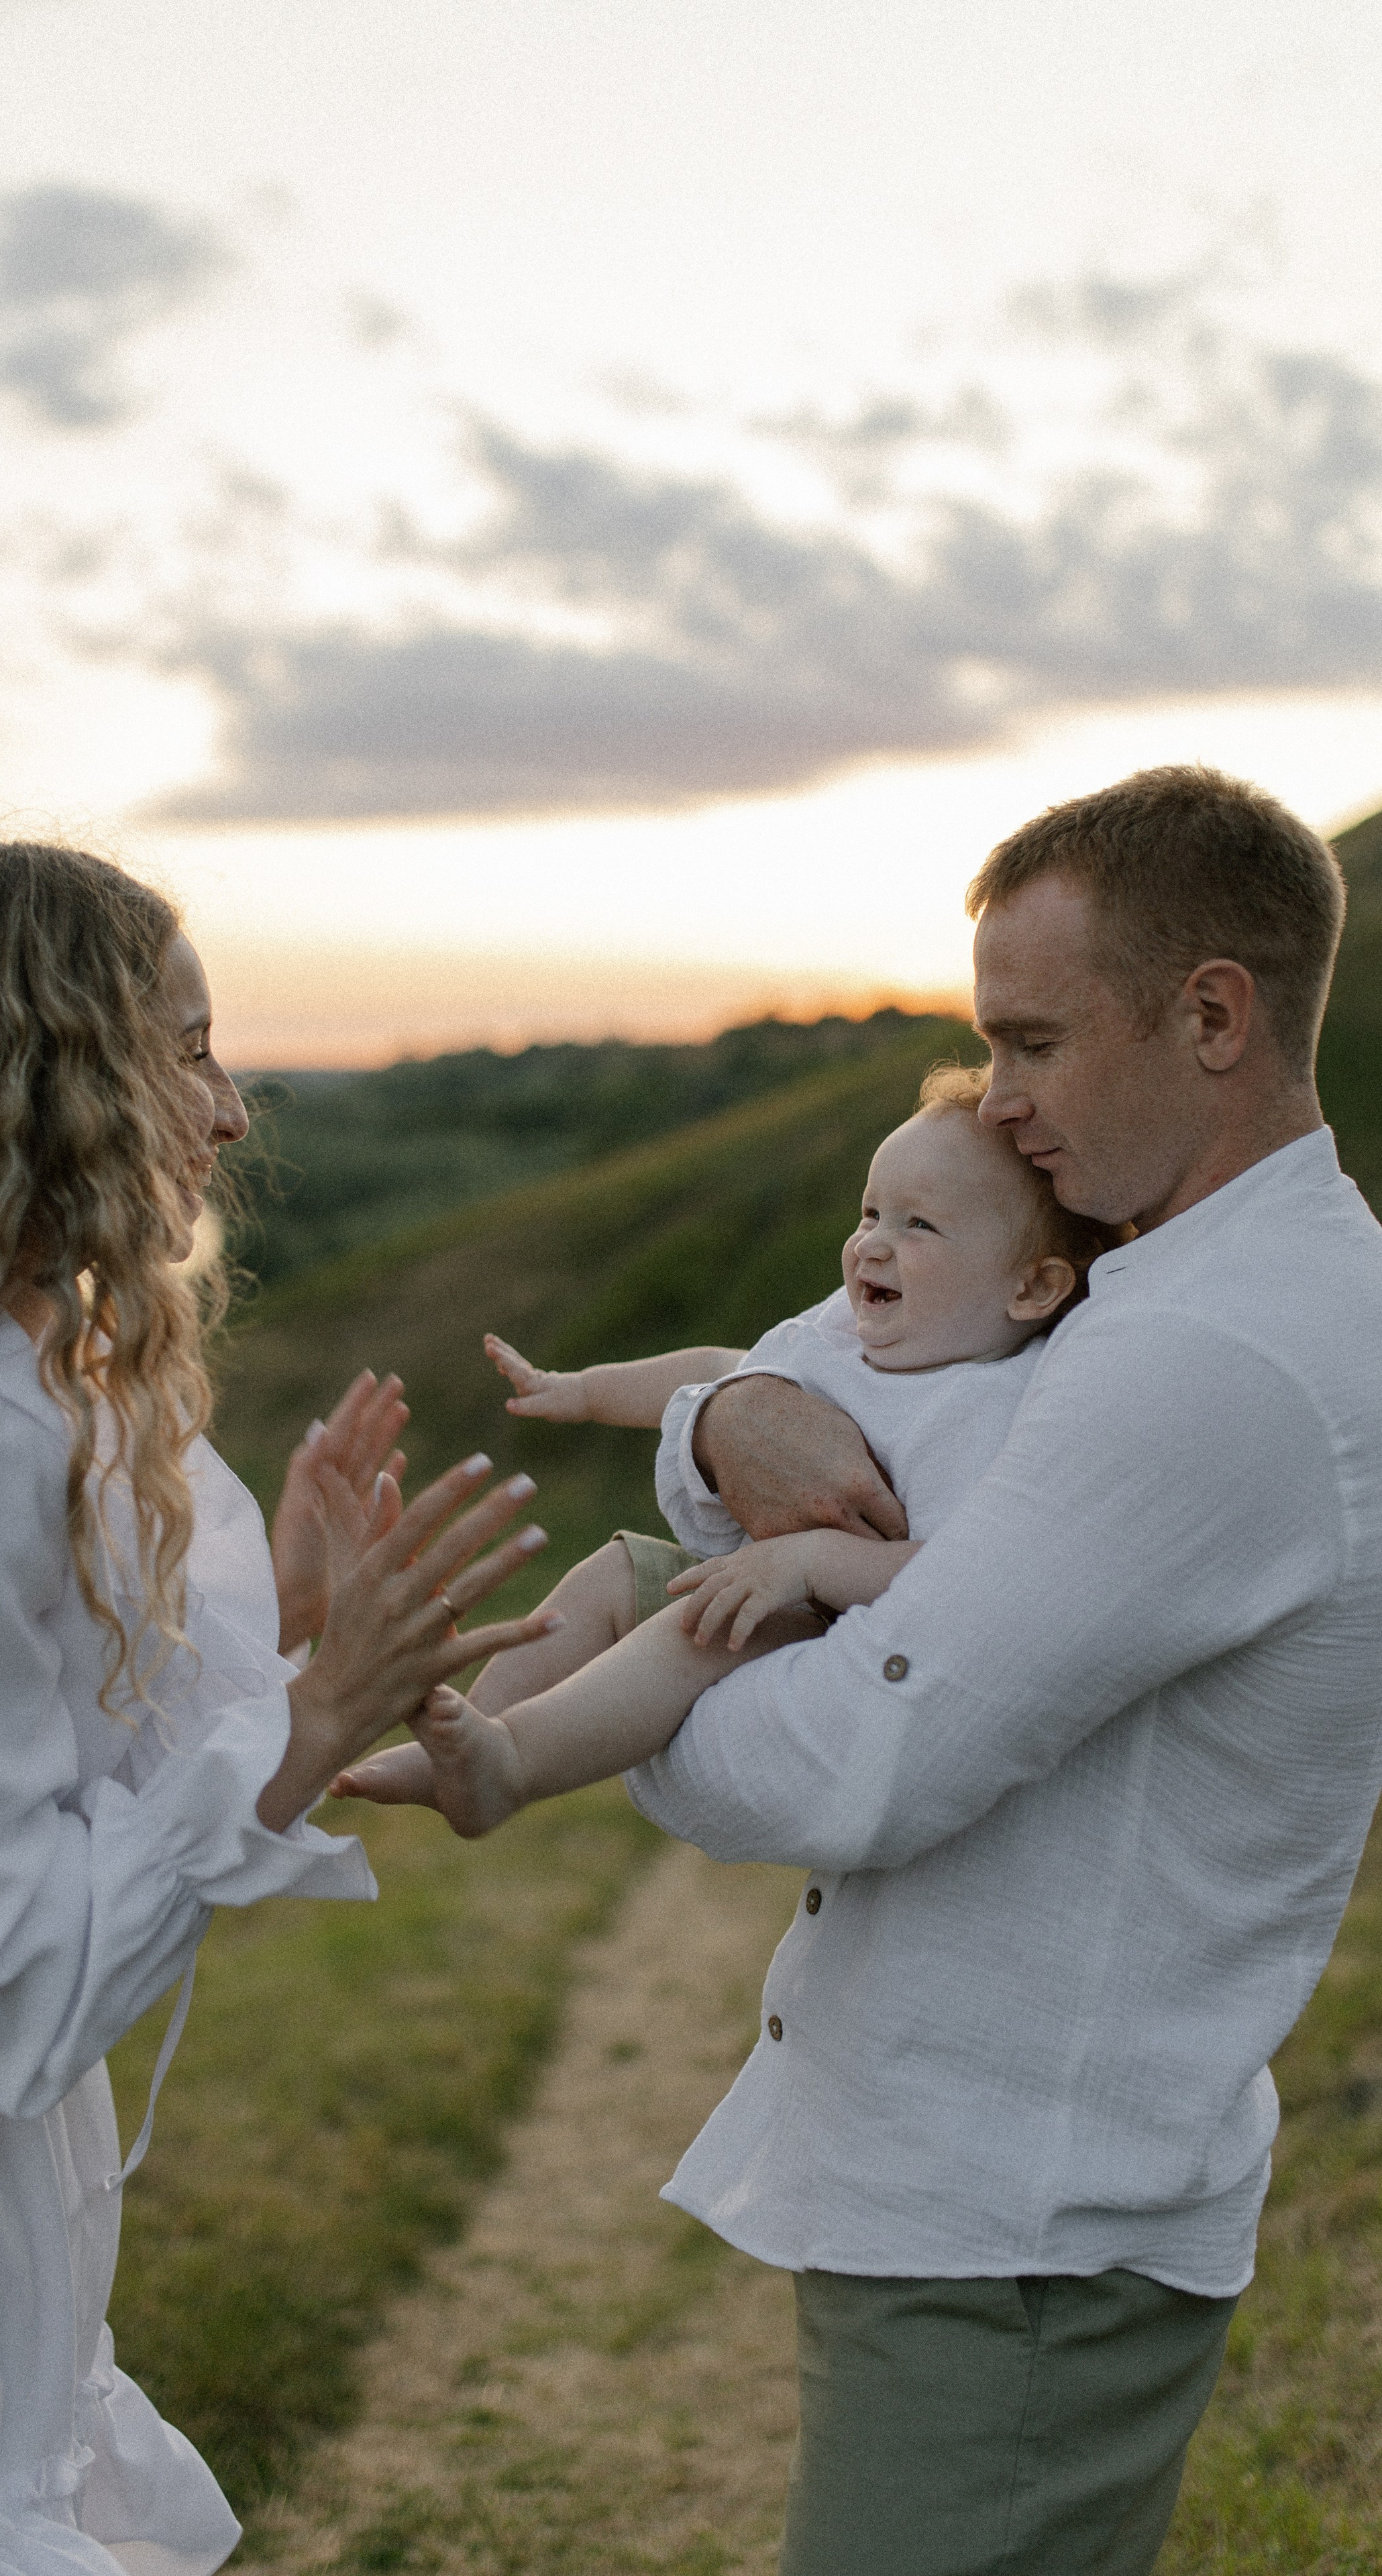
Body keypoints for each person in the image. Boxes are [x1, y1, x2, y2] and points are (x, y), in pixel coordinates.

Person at [367, 765, 1382, 2576]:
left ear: (1212, 1016)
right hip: (987, 2204)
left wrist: (646, 1681)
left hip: (1027, 2237)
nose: (996, 1099)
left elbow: (858, 1758)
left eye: (1032, 1042)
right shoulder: (1131, 1273)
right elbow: (816, 1390)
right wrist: (728, 1417)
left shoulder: (1212, 1355)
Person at [0, 841, 555, 2575]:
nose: (228, 1113)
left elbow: (4, 1736)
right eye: (187, 1053)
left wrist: (284, 1613)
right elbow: (15, 1971)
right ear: (39, 1079)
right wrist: (316, 1719)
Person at [335, 1064, 1120, 1832]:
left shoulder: (985, 1410)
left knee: (694, 1628)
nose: (872, 1246)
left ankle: (512, 1765)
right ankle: (470, 1740)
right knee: (616, 1572)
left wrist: (810, 1561)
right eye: (870, 1213)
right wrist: (582, 1390)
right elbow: (724, 1369)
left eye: (919, 1225)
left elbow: (958, 1579)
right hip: (762, 1586)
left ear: (1031, 1287)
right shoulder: (849, 1336)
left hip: (833, 1633)